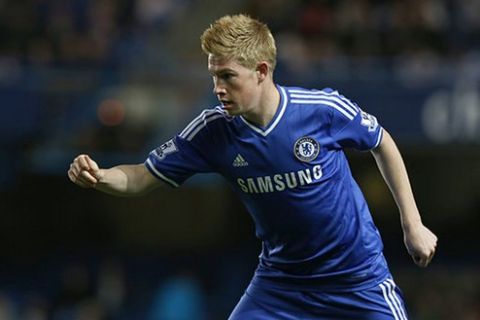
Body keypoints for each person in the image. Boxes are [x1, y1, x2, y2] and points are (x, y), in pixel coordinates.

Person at [68, 14, 437, 320]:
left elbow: (381, 142)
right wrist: (100, 176)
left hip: (356, 280)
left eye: (228, 76)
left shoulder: (321, 110)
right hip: (281, 286)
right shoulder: (212, 131)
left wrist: (413, 224)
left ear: (261, 70)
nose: (217, 88)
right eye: (214, 76)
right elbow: (141, 176)